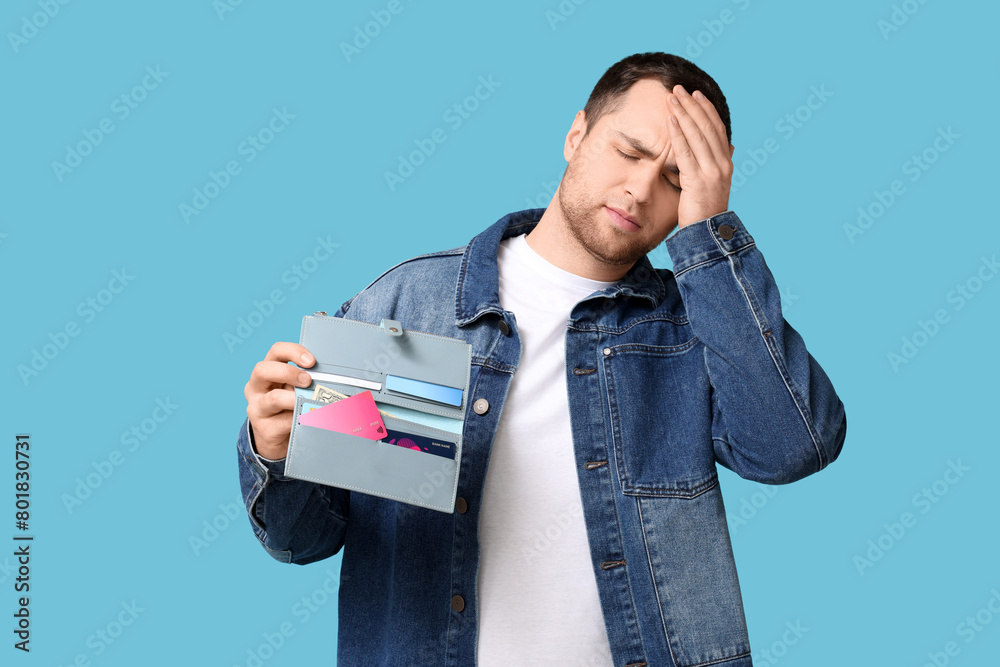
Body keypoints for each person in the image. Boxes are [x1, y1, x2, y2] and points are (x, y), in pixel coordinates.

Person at [237, 52, 847, 667]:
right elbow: (301, 540)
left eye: (677, 180)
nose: (640, 189)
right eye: (629, 152)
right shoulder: (408, 304)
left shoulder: (693, 332)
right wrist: (273, 449)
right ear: (576, 133)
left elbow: (791, 446)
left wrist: (708, 234)